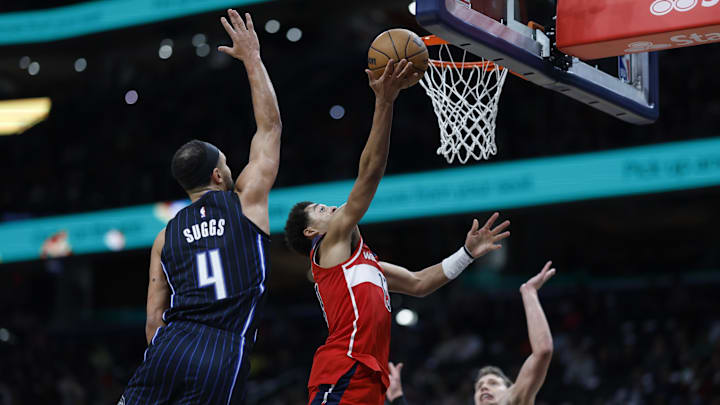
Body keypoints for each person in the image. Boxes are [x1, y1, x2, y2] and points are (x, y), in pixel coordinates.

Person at [283, 58, 511, 405]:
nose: (329, 206)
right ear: (313, 231)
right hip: (343, 368)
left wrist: (466, 254)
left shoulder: (364, 265)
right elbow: (370, 173)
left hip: (369, 377)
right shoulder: (329, 247)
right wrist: (385, 101)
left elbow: (420, 284)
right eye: (319, 209)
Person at [120, 9, 281, 405]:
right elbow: (270, 127)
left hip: (168, 347)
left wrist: (167, 354)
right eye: (227, 162)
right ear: (217, 176)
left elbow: (153, 322)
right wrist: (253, 59)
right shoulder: (245, 203)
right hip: (221, 348)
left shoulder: (164, 237)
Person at [384, 261, 557, 405]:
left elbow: (543, 351)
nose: (483, 388)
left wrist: (529, 292)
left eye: (493, 383)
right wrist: (399, 398)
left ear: (512, 388)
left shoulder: (516, 399)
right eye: (479, 386)